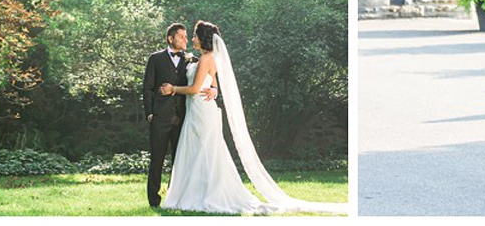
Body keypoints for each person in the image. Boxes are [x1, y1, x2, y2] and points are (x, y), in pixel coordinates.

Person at [158, 20, 347, 215]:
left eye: (196, 36)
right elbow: (213, 82)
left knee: (205, 151)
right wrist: (214, 90)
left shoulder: (206, 59)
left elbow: (195, 89)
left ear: (203, 39)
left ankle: (204, 194)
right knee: (198, 151)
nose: (193, 39)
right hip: (197, 110)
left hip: (201, 112)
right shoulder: (203, 58)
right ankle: (194, 192)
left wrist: (173, 89)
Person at [142, 23, 217, 208]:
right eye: (181, 36)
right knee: (157, 160)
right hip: (160, 117)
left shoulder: (192, 59)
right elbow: (147, 88)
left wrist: (214, 91)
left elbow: (210, 78)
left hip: (184, 118)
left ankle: (174, 198)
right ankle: (154, 201)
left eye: (187, 36)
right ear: (170, 38)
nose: (186, 39)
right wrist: (150, 113)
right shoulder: (156, 59)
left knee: (180, 160)